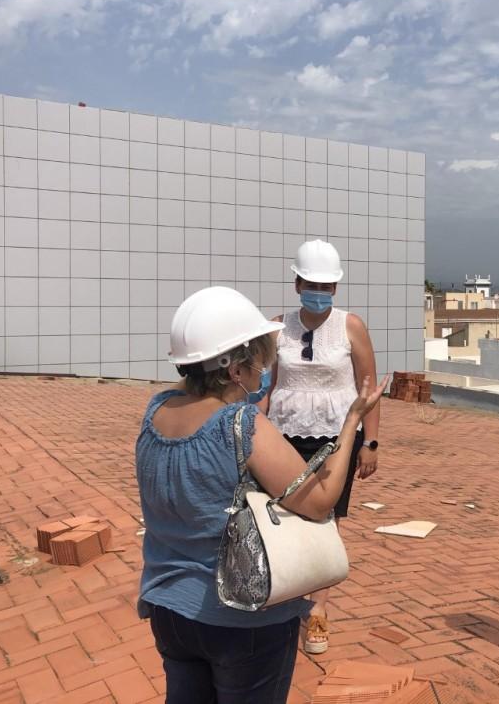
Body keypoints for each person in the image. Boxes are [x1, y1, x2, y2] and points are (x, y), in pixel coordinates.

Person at [136, 286, 386, 703]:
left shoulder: (156, 410)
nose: (264, 369)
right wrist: (352, 423)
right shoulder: (240, 424)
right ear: (235, 368)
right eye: (259, 358)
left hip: (168, 611)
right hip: (241, 622)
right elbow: (321, 499)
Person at [264, 239, 380, 655]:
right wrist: (251, 430)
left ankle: (319, 609)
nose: (319, 290)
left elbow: (369, 389)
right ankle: (283, 591)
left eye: (326, 285)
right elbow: (268, 386)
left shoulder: (351, 326)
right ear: (296, 283)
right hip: (283, 434)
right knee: (283, 515)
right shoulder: (278, 328)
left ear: (335, 288)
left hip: (338, 437)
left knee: (326, 519)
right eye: (311, 282)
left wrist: (371, 442)